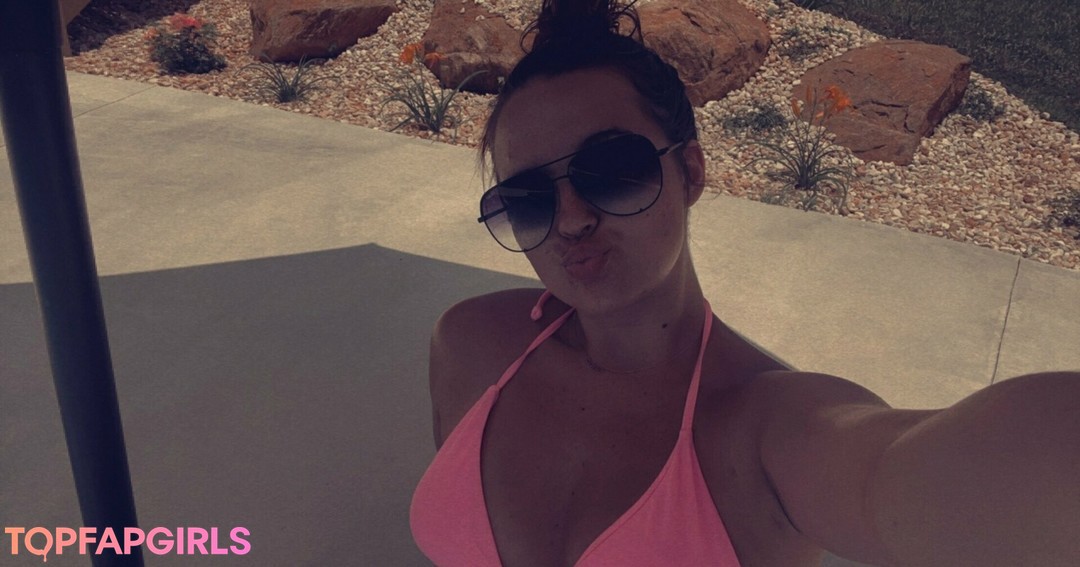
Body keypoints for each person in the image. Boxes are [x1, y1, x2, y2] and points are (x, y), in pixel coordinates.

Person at [410, 1, 1080, 565]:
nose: (572, 219)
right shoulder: (470, 345)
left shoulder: (766, 430)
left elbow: (931, 473)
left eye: (611, 170)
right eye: (528, 198)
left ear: (691, 173)